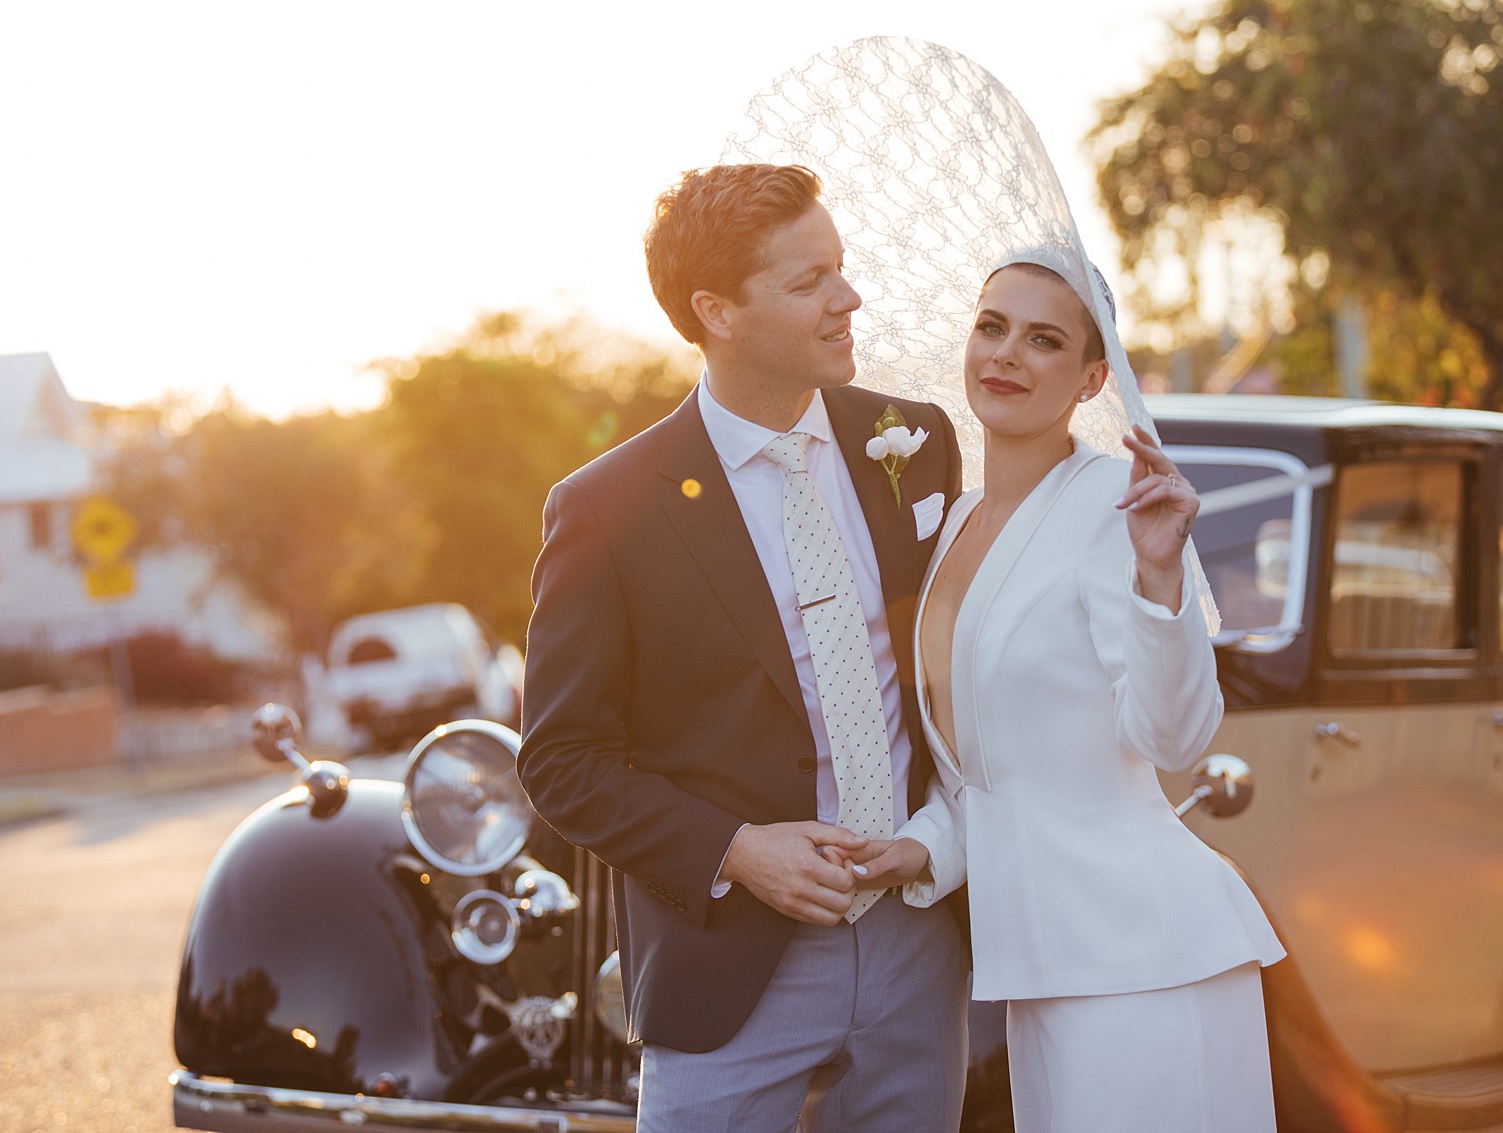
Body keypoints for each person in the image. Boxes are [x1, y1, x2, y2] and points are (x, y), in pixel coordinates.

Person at [516, 162, 968, 1133]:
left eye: (839, 267)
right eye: (809, 282)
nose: (847, 298)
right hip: (732, 964)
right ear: (715, 310)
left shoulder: (915, 440)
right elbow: (560, 760)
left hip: (919, 940)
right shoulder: (604, 510)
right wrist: (734, 850)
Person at [852, 250, 1286, 1132]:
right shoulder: (953, 526)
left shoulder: (1111, 506)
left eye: (1043, 339)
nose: (1007, 354)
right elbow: (998, 771)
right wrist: (918, 848)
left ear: (1094, 378)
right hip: (1038, 967)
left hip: (1149, 960)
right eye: (992, 327)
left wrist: (1161, 581)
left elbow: (1173, 738)